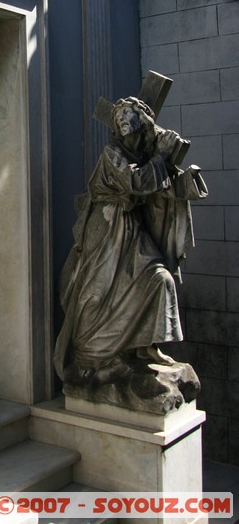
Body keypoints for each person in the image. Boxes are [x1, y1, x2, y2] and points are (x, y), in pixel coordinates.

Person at [53, 96, 208, 387]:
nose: (122, 118)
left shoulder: (146, 157)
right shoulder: (112, 154)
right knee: (95, 294)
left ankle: (146, 346)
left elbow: (163, 188)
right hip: (106, 232)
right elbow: (137, 183)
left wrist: (185, 180)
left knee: (160, 280)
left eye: (128, 113)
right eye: (119, 115)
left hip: (132, 232)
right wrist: (162, 157)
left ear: (143, 120)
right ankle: (90, 355)